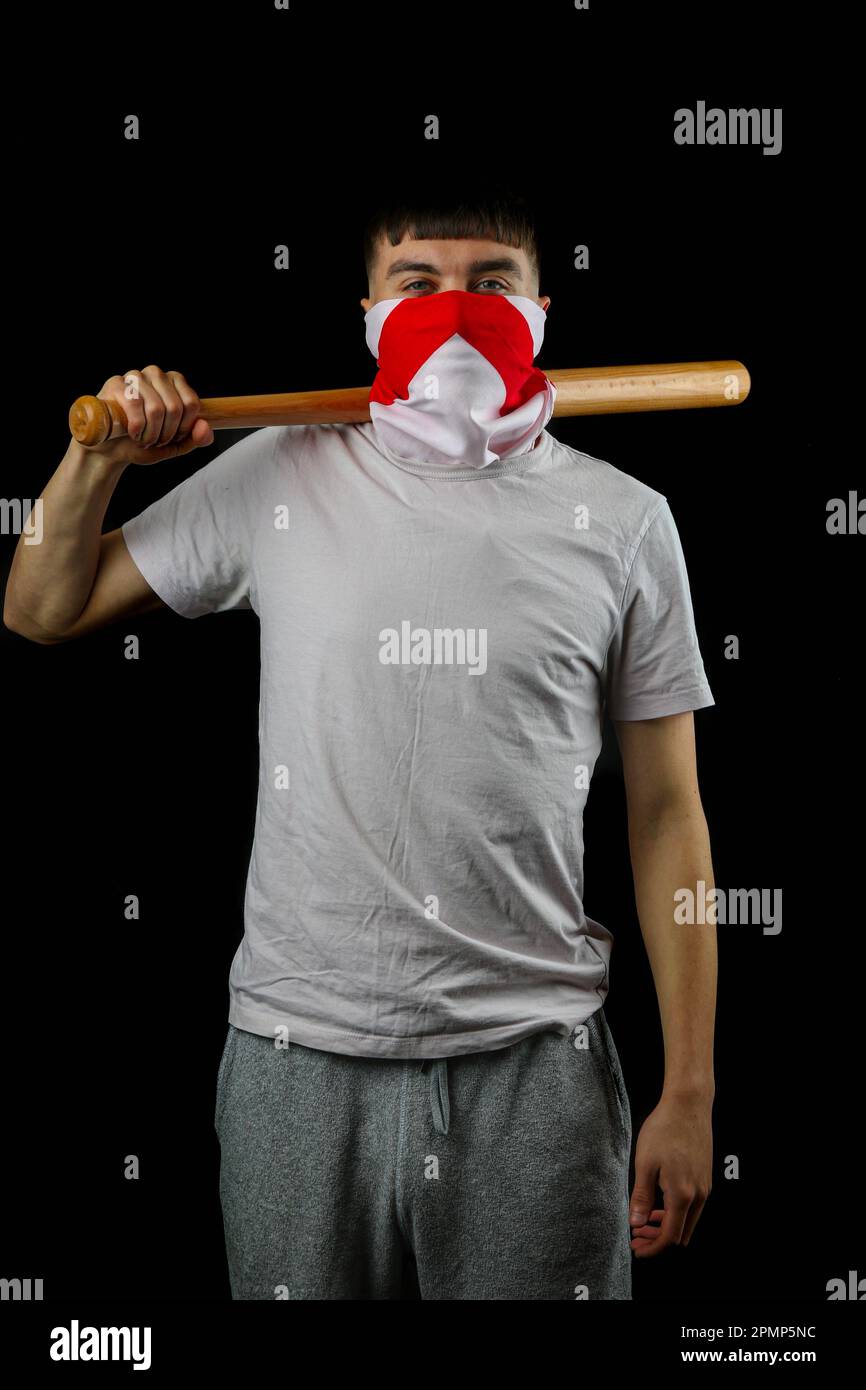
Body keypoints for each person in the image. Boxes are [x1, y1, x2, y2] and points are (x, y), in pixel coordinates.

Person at [3, 185, 717, 1301]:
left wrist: (689, 1093)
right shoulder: (280, 468)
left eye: (492, 285)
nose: (456, 312)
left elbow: (667, 812)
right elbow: (40, 608)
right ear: (368, 313)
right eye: (417, 284)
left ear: (540, 311)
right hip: (297, 1063)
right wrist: (96, 456)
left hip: (538, 1068)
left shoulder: (624, 522)